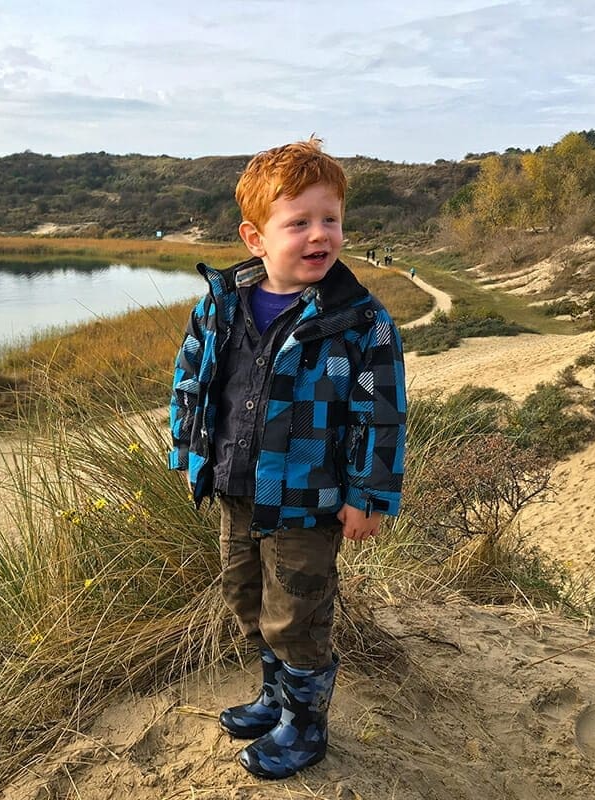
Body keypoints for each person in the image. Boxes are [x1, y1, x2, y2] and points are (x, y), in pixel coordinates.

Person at [168, 138, 406, 780]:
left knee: (296, 610)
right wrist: (189, 453)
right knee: (246, 595)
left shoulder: (359, 321)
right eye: (297, 222)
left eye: (329, 220)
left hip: (310, 498)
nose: (318, 235)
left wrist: (370, 495)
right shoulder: (220, 304)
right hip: (237, 489)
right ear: (256, 237)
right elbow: (191, 381)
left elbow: (380, 415)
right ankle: (275, 698)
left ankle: (304, 726)